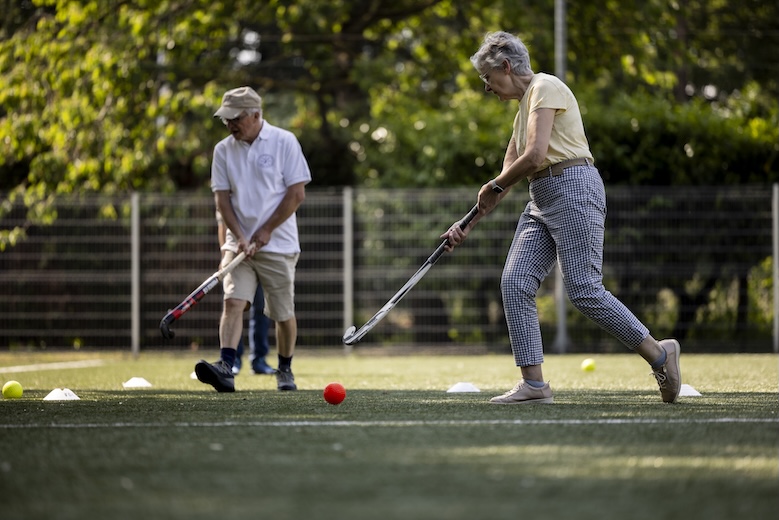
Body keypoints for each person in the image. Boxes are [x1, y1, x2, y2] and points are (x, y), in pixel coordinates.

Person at [442, 31, 681, 404]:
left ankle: (661, 354)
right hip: (541, 196)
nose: (487, 88)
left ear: (506, 66)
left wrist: (495, 184)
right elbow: (502, 182)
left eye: (487, 78)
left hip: (573, 186)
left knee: (585, 291)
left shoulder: (544, 86)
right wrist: (467, 223)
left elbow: (535, 155)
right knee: (515, 281)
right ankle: (535, 386)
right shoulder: (523, 111)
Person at [195, 86, 311, 392]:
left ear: (256, 115)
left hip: (279, 244)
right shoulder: (223, 150)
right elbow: (222, 200)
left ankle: (284, 368)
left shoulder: (284, 141)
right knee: (233, 302)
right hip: (240, 244)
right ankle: (225, 367)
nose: (230, 125)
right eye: (226, 119)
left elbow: (296, 193)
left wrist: (266, 230)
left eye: (236, 118)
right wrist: (238, 237)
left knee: (282, 314)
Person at [216, 211, 275, 376]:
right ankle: (232, 360)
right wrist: (224, 257)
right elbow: (223, 225)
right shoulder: (227, 193)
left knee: (262, 307)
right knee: (235, 306)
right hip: (238, 256)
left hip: (265, 255)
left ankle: (259, 359)